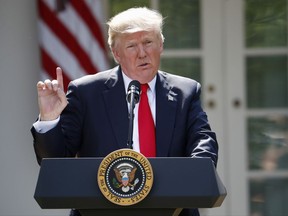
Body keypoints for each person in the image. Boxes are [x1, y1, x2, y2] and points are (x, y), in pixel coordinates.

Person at [31, 7, 218, 216]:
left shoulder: (186, 91)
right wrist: (49, 119)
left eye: (148, 42)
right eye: (131, 46)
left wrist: (195, 172)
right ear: (116, 54)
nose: (142, 53)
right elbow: (56, 160)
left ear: (161, 45)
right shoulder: (86, 92)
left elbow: (203, 141)